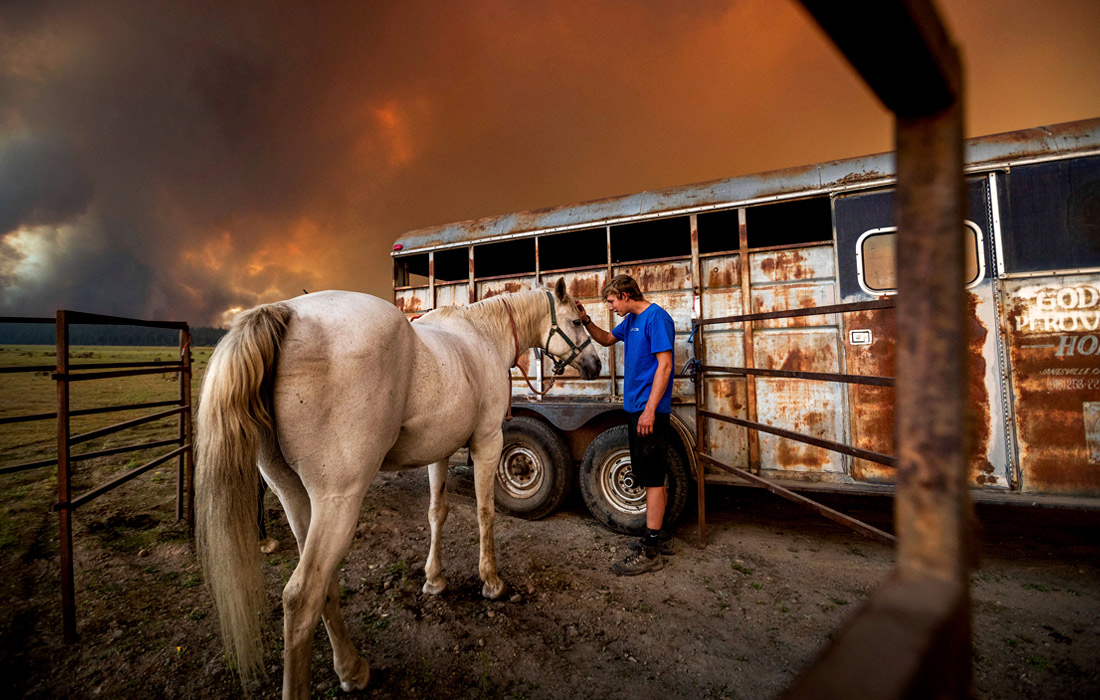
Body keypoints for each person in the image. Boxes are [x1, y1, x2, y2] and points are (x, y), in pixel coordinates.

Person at [578, 274, 676, 575]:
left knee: (653, 479)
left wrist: (649, 411)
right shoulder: (631, 321)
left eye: (611, 301)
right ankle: (656, 535)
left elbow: (666, 364)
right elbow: (607, 339)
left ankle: (650, 552)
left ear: (624, 295)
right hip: (637, 409)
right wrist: (585, 320)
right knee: (650, 475)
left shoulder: (655, 318)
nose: (610, 307)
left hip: (649, 412)